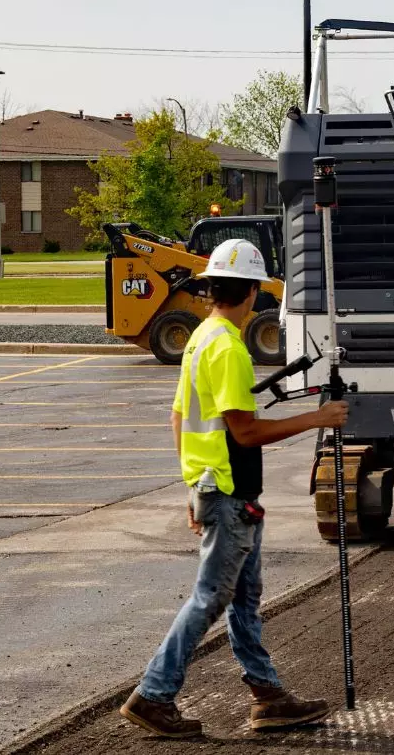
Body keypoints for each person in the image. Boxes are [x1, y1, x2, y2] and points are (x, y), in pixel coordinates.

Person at [120, 239, 349, 738]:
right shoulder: (228, 348)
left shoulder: (202, 337)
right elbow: (244, 431)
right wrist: (320, 417)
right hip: (229, 493)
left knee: (243, 599)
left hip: (218, 489)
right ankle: (154, 695)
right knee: (211, 597)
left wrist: (191, 487)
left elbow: (179, 417)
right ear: (250, 292)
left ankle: (267, 696)